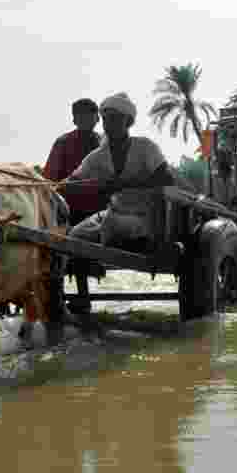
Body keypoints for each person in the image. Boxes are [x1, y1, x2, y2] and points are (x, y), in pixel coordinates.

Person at [61, 92, 175, 314]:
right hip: (113, 213)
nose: (109, 124)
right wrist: (53, 185)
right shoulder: (98, 155)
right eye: (106, 119)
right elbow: (73, 179)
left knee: (112, 224)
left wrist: (125, 183)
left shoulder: (145, 147)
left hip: (146, 215)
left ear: (127, 121)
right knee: (73, 236)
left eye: (115, 118)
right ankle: (83, 298)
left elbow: (166, 178)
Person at [43, 98, 102, 226]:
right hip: (69, 211)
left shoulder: (105, 143)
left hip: (100, 210)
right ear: (75, 120)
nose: (87, 119)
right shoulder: (63, 143)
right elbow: (49, 181)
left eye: (90, 114)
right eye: (82, 115)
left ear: (97, 118)